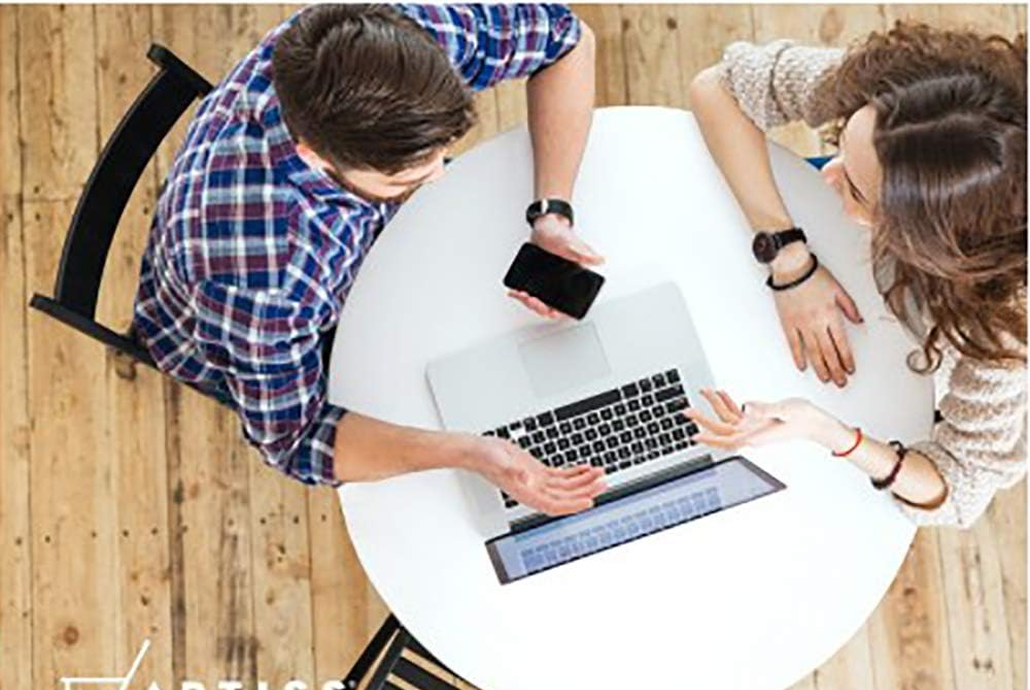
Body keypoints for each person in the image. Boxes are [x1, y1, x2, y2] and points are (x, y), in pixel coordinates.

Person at [134, 4, 607, 515]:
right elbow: (299, 440)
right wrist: (472, 452)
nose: (437, 176)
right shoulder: (263, 283)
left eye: (439, 151)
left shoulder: (386, 46)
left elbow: (568, 39)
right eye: (404, 176)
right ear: (317, 156)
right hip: (276, 343)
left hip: (370, 257)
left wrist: (551, 212)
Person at [687, 22, 1026, 528]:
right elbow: (719, 85)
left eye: (857, 189)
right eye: (842, 141)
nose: (828, 171)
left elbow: (958, 483)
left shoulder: (1005, 326)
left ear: (926, 241)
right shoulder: (912, 106)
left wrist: (831, 433)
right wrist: (789, 259)